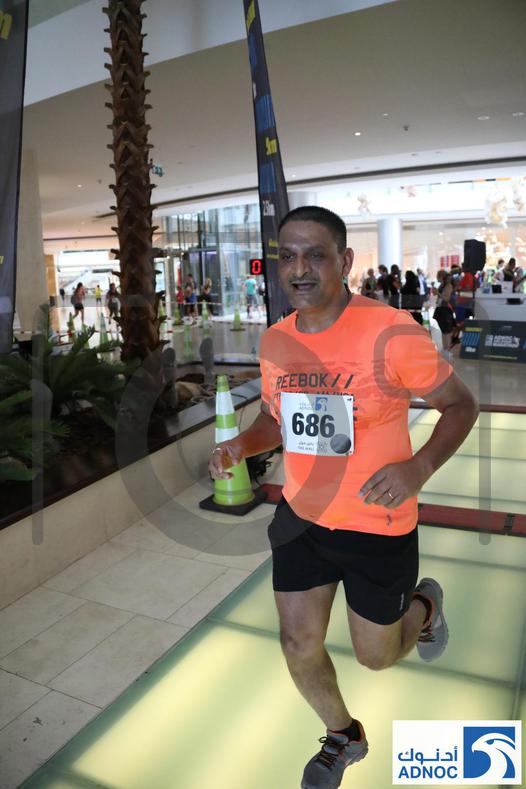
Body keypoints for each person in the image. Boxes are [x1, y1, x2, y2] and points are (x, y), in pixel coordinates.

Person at [209, 206, 478, 789]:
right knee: (297, 642)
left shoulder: (391, 332)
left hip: (377, 523)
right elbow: (276, 420)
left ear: (345, 260)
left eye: (316, 255)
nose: (299, 269)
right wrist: (240, 445)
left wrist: (418, 467)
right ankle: (343, 735)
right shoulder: (276, 339)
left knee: (377, 656)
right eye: (288, 256)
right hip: (302, 516)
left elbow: (461, 405)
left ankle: (425, 606)